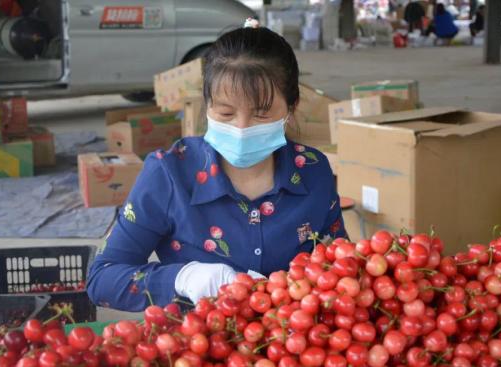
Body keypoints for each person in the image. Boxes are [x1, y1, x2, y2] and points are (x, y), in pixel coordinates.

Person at [87, 19, 348, 311]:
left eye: (261, 114)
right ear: (207, 105)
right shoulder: (170, 174)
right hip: (199, 345)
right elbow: (102, 279)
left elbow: (339, 266)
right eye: (226, 113)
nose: (241, 127)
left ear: (292, 107)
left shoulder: (313, 171)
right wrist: (182, 278)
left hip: (294, 347)